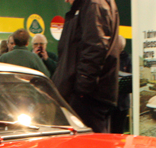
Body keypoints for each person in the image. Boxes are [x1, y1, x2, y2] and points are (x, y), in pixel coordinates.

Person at [52, 0, 121, 133]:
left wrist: (82, 90)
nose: (65, 0)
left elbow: (95, 48)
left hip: (86, 99)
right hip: (83, 96)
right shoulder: (90, 5)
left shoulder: (94, 4)